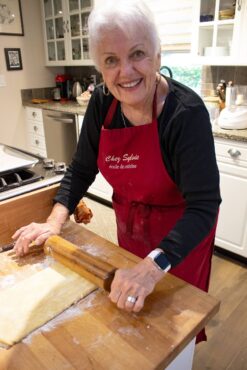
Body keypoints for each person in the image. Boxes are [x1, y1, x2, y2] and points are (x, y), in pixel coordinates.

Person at [13, 0, 221, 343]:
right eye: (111, 60)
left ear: (157, 56)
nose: (125, 72)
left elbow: (204, 205)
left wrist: (152, 267)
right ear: (100, 65)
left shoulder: (186, 114)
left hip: (180, 237)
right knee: (131, 324)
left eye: (137, 53)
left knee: (172, 328)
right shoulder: (101, 103)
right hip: (131, 225)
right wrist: (54, 221)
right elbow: (81, 169)